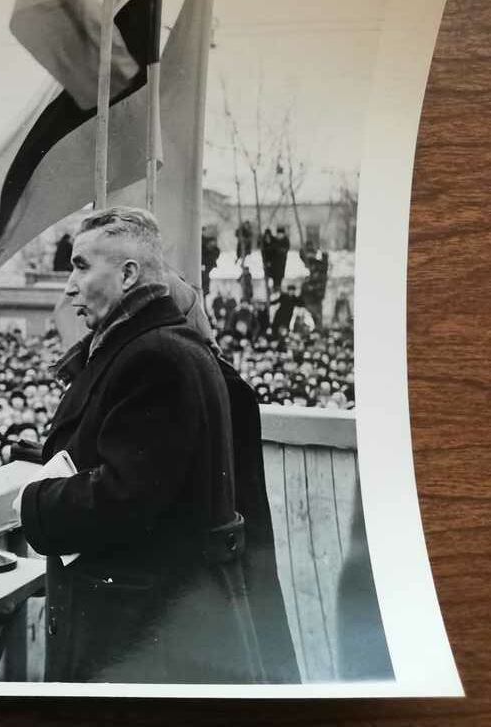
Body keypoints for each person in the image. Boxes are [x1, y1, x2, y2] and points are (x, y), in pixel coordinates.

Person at [16, 206, 294, 683]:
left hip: (137, 635)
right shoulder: (161, 346)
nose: (68, 286)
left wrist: (35, 501)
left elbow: (124, 498)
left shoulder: (154, 357)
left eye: (81, 265)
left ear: (128, 275)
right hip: (152, 624)